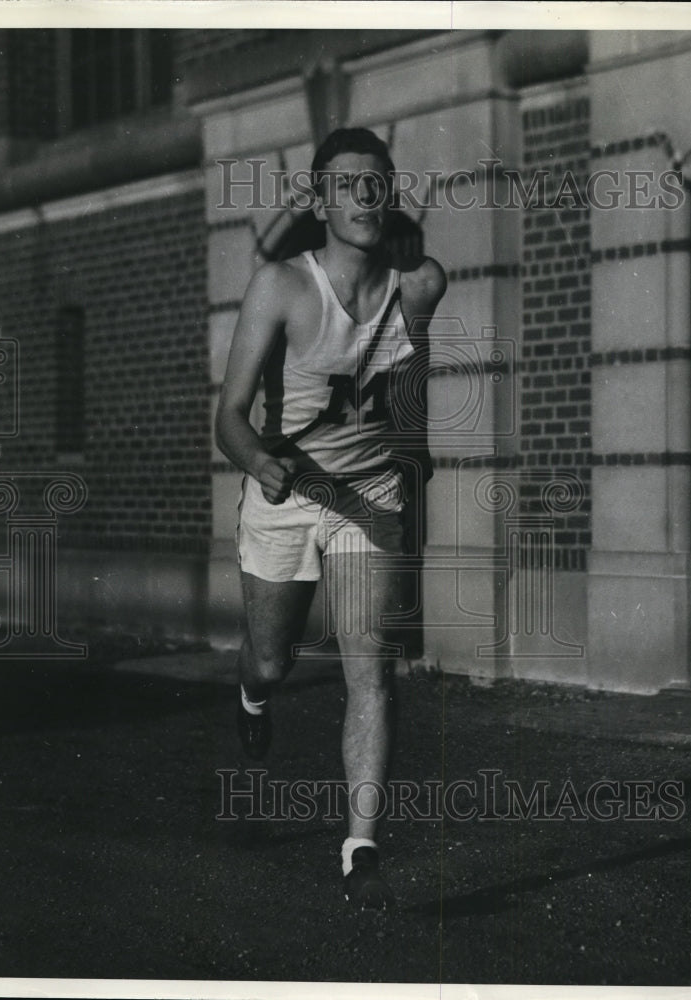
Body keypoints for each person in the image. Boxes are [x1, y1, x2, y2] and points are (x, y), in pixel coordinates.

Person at [215, 127, 446, 909]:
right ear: (319, 201)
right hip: (285, 497)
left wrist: (407, 468)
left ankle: (360, 851)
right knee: (273, 661)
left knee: (370, 673)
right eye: (347, 185)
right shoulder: (280, 285)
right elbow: (231, 418)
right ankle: (250, 697)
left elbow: (406, 394)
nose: (365, 198)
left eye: (377, 184)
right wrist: (257, 461)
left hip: (367, 501)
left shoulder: (418, 287)